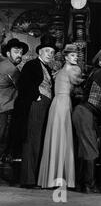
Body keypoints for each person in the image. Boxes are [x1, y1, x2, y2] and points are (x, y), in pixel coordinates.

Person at [72, 46, 101, 193]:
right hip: (85, 112)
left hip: (84, 112)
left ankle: (81, 183)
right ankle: (88, 185)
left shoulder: (96, 72)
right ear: (100, 60)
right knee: (91, 149)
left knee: (84, 149)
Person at [12, 35, 57, 188]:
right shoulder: (32, 64)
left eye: (52, 52)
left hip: (46, 104)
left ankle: (36, 178)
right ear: (40, 52)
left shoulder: (48, 68)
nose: (50, 54)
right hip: (36, 104)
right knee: (32, 140)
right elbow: (24, 83)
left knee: (40, 141)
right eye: (47, 51)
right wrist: (36, 97)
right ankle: (28, 180)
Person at [37, 44, 83, 189]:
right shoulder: (74, 69)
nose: (76, 58)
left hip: (56, 103)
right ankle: (62, 177)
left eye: (76, 55)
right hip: (63, 103)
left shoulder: (60, 70)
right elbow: (79, 83)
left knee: (56, 137)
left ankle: (51, 178)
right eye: (72, 55)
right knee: (63, 137)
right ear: (66, 57)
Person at [0, 38, 28, 162]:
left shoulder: (5, 65)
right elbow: (24, 87)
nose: (19, 55)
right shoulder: (10, 68)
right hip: (3, 109)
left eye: (21, 53)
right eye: (16, 52)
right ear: (8, 53)